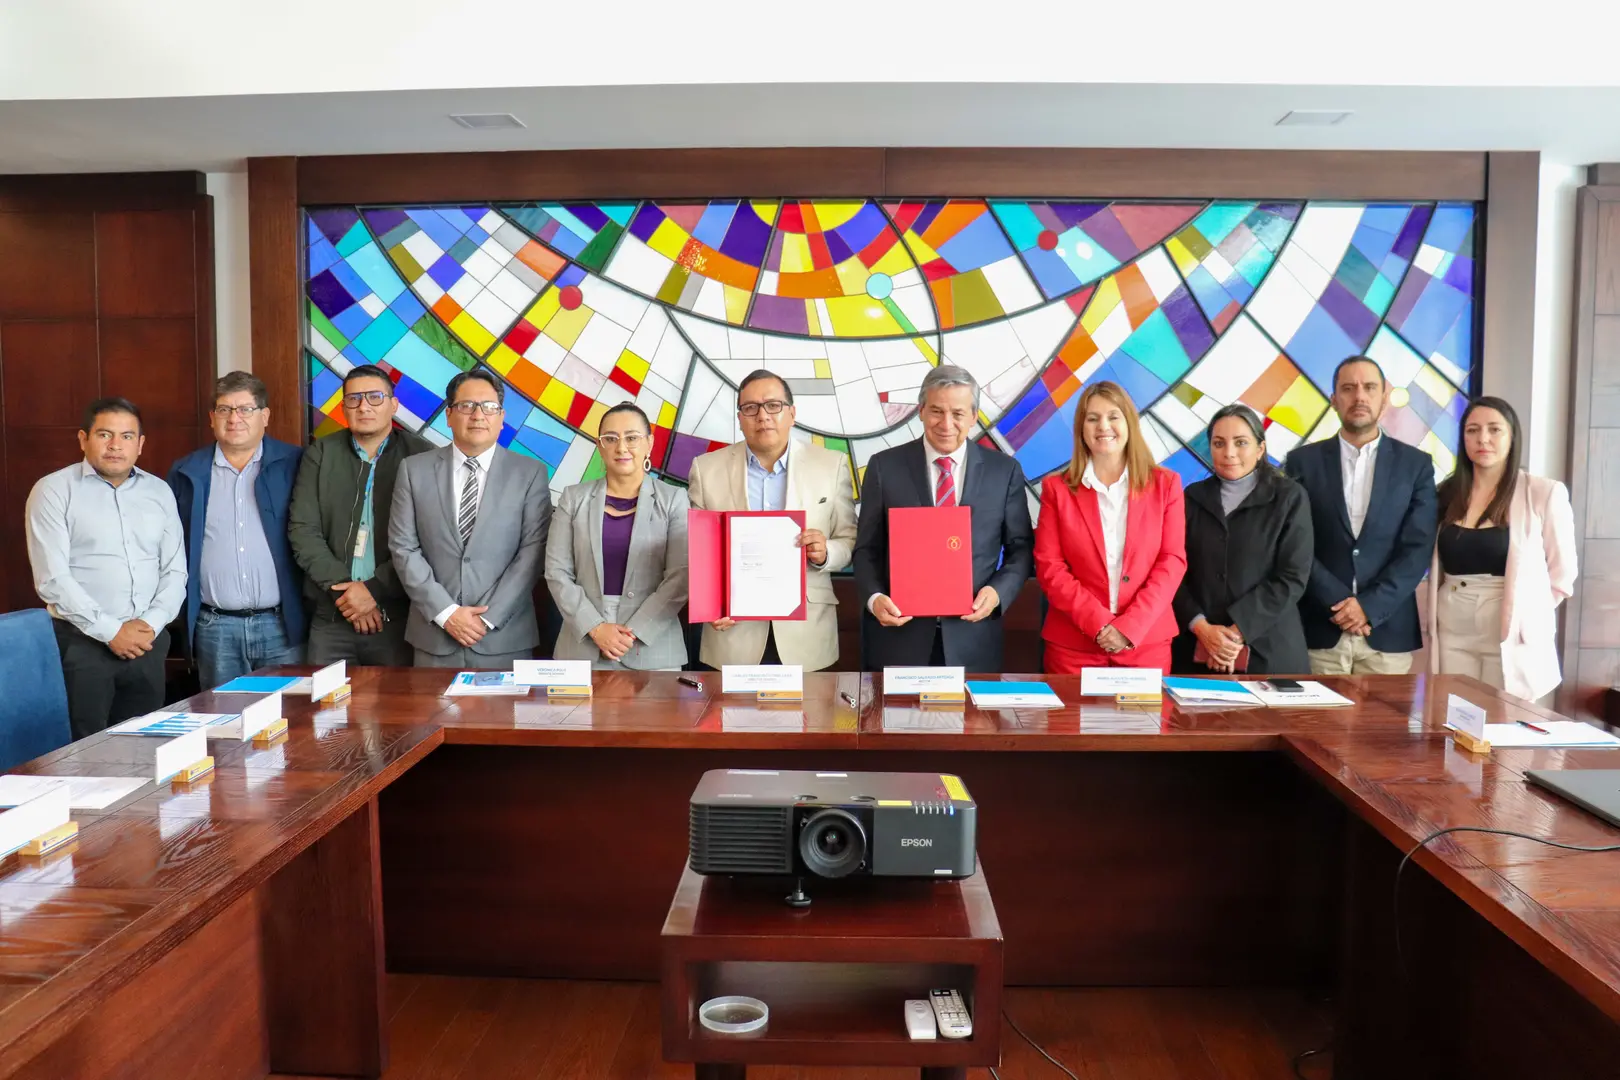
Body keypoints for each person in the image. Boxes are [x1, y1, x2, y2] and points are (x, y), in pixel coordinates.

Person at [24, 398, 186, 738]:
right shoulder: (53, 491)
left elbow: (175, 572)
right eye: (104, 434)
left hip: (147, 644)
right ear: (83, 439)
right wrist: (112, 631)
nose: (115, 445)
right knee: (84, 752)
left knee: (146, 749)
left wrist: (150, 624)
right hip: (82, 646)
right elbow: (53, 579)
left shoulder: (159, 492)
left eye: (127, 436)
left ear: (140, 444)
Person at [854, 365, 1033, 670]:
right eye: (936, 411)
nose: (946, 424)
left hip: (973, 639)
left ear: (974, 416)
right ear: (921, 411)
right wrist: (874, 598)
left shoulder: (1004, 471)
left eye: (958, 413)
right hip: (898, 637)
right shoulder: (885, 467)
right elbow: (866, 549)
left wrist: (997, 593)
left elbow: (1021, 548)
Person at [686, 369, 857, 670]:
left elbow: (849, 539)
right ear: (739, 418)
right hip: (732, 633)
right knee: (730, 704)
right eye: (750, 408)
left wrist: (825, 552)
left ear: (792, 413)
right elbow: (698, 553)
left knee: (810, 704)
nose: (763, 416)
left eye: (773, 405)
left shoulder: (831, 465)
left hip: (806, 632)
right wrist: (709, 604)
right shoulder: (706, 469)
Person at [1285, 356, 1437, 675]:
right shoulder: (1301, 463)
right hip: (1319, 629)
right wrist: (1341, 604)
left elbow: (1417, 548)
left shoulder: (1416, 466)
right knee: (1316, 712)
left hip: (1387, 632)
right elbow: (1294, 544)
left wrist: (1368, 606)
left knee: (1384, 713)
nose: (1359, 397)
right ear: (1333, 400)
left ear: (1385, 397)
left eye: (1369, 387)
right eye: (1348, 388)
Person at [389, 370, 552, 668]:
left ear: (501, 417)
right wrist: (446, 613)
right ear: (449, 416)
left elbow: (533, 552)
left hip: (504, 638)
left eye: (488, 407)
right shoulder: (413, 470)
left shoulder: (530, 473)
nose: (478, 415)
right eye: (466, 406)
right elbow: (403, 547)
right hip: (434, 637)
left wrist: (488, 618)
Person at [1427, 396, 1577, 700]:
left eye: (1494, 429)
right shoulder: (1446, 493)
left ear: (1512, 437)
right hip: (1452, 620)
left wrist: (1528, 614)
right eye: (1472, 430)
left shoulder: (1543, 492)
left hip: (1509, 624)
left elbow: (1562, 575)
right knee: (1455, 710)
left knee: (1503, 713)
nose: (1483, 439)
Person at [1034, 381, 1186, 675]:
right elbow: (1050, 566)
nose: (1103, 426)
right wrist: (1099, 623)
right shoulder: (1056, 489)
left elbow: (1172, 562)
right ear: (1081, 428)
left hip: (1144, 643)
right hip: (1073, 646)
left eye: (1113, 416)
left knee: (1145, 711)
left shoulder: (1166, 485)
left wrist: (1130, 626)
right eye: (1093, 418)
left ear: (1129, 423)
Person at [288, 364, 432, 666]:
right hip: (331, 615)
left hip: (398, 617)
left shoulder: (422, 456)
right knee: (323, 698)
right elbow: (303, 530)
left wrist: (373, 591)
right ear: (343, 408)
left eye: (375, 397)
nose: (364, 406)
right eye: (354, 399)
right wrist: (348, 595)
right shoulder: (321, 453)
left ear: (393, 405)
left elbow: (431, 539)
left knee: (400, 698)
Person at [167, 372, 304, 689]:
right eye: (224, 409)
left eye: (245, 409)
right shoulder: (186, 472)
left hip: (281, 625)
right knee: (223, 715)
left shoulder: (295, 464)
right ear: (212, 418)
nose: (234, 418)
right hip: (215, 627)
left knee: (291, 714)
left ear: (265, 416)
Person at [545, 404, 690, 669]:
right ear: (599, 446)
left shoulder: (674, 499)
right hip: (582, 644)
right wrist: (596, 627)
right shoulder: (573, 498)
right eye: (610, 439)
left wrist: (634, 631)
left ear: (649, 443)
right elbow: (557, 572)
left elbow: (681, 576)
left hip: (653, 647)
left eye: (632, 438)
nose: (621, 447)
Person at [1172, 404, 1313, 675]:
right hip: (1196, 648)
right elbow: (1173, 571)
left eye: (1241, 443)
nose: (1229, 453)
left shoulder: (1289, 497)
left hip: (1270, 652)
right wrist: (1203, 629)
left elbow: (1292, 577)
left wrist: (1233, 636)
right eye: (1219, 443)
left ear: (1260, 449)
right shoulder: (1190, 497)